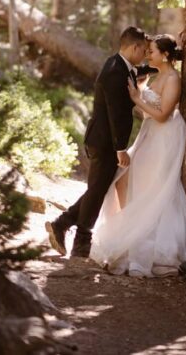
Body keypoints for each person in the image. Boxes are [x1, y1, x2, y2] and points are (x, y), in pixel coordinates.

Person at [89, 34, 186, 276]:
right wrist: (141, 93)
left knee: (153, 185)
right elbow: (149, 114)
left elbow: (163, 114)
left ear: (164, 55)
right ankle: (133, 228)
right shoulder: (156, 75)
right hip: (150, 132)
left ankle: (140, 234)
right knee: (124, 177)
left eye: (151, 52)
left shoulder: (173, 78)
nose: (147, 55)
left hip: (165, 136)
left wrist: (136, 98)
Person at [46, 26, 150, 258]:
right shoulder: (115, 71)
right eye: (143, 49)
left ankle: (62, 224)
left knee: (98, 188)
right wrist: (120, 148)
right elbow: (116, 114)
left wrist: (164, 61)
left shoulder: (121, 65)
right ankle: (81, 241)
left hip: (103, 139)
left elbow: (140, 70)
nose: (144, 54)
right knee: (97, 190)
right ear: (134, 47)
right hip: (104, 141)